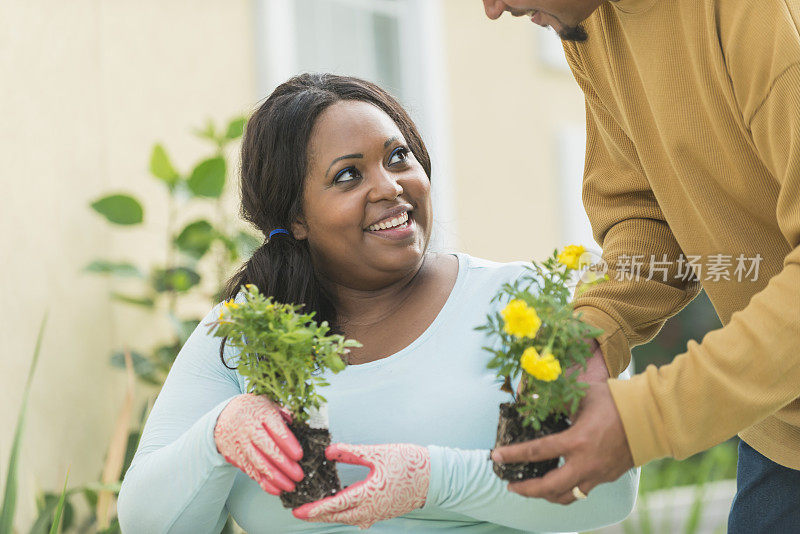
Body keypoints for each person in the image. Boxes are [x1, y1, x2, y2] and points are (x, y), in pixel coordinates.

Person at [116, 73, 638, 533]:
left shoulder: (536, 299)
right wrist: (217, 435)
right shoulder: (245, 330)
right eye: (348, 175)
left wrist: (433, 480)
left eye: (398, 157)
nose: (390, 187)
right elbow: (148, 524)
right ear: (295, 217)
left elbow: (609, 490)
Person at [481, 0, 800, 531]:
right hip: (781, 426)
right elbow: (645, 215)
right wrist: (589, 334)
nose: (492, 9)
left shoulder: (761, 18)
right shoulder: (589, 21)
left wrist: (642, 421)